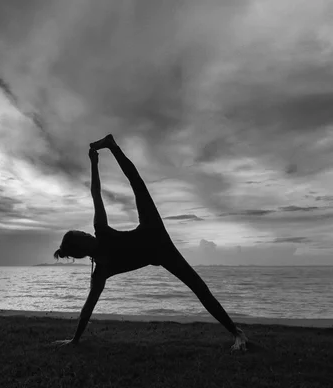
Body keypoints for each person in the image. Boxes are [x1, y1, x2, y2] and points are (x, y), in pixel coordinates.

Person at [53, 134, 248, 351]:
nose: (87, 233)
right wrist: (75, 339)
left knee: (136, 182)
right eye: (83, 235)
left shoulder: (101, 253)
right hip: (159, 246)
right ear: (83, 247)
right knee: (198, 287)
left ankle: (236, 333)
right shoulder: (100, 270)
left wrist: (94, 163)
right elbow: (88, 307)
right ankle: (236, 333)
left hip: (152, 232)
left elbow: (96, 193)